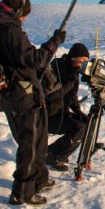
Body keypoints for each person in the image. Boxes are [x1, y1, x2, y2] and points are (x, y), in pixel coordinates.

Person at [0, 0, 65, 206]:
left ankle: (38, 180)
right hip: (22, 95)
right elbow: (35, 60)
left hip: (16, 93)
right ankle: (23, 192)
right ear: (18, 11)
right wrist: (54, 43)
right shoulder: (10, 31)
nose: (26, 18)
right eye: (25, 13)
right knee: (30, 144)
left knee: (38, 141)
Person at [44, 43, 90, 171]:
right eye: (82, 60)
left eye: (86, 60)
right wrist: (72, 77)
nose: (84, 63)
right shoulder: (57, 68)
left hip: (60, 112)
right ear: (73, 57)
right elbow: (56, 93)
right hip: (50, 115)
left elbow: (72, 95)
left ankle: (52, 150)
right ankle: (55, 156)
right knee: (79, 127)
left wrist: (78, 111)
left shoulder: (71, 69)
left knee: (85, 122)